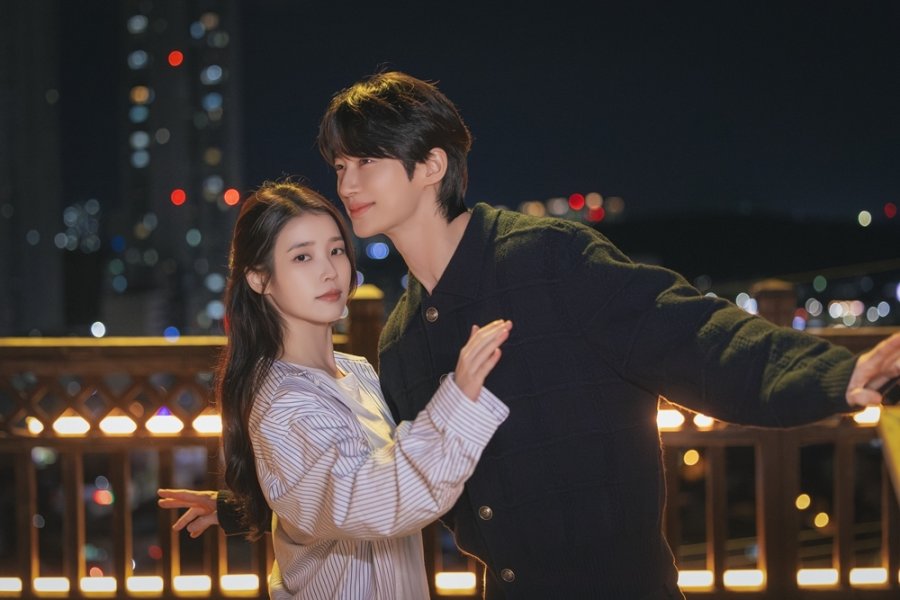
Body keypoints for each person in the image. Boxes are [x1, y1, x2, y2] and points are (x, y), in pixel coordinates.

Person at [162, 72, 900, 599]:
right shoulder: (401, 339)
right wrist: (244, 505)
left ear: (431, 165)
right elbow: (377, 479)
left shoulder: (545, 259)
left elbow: (690, 332)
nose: (347, 182)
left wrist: (833, 375)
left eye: (367, 161)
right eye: (340, 165)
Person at [159, 179, 513, 599]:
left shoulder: (354, 371)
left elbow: (331, 486)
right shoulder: (284, 403)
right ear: (259, 278)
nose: (329, 271)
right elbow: (365, 499)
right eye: (302, 256)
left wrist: (247, 506)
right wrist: (459, 398)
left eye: (336, 250)